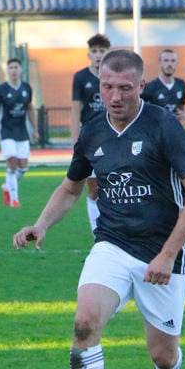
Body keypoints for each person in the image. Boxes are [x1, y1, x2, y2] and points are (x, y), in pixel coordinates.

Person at [13, 50, 185, 369]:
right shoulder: (93, 130)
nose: (114, 96)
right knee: (84, 323)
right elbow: (71, 187)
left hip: (163, 253)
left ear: (141, 85)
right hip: (113, 245)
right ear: (98, 85)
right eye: (107, 87)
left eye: (124, 87)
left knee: (163, 353)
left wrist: (167, 253)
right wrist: (41, 224)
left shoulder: (164, 127)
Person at [141, 50, 185, 243]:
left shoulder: (181, 85)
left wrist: (182, 117)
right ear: (159, 63)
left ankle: (184, 228)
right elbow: (142, 112)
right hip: (156, 142)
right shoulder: (150, 88)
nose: (169, 64)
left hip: (176, 141)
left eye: (172, 61)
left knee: (184, 183)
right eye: (166, 60)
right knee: (160, 185)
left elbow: (181, 109)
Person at [71, 34, 111, 232]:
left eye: (102, 51)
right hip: (91, 141)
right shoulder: (81, 77)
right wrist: (74, 140)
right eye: (94, 51)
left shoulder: (113, 76)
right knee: (94, 189)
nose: (98, 55)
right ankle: (98, 232)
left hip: (114, 138)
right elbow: (76, 109)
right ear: (88, 54)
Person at [0, 57, 40, 208]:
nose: (13, 70)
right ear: (7, 71)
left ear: (21, 70)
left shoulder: (26, 88)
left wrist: (35, 129)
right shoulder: (1, 90)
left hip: (21, 131)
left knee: (23, 166)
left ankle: (7, 187)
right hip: (6, 131)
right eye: (10, 68)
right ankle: (14, 200)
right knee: (12, 162)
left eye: (16, 67)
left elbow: (30, 109)